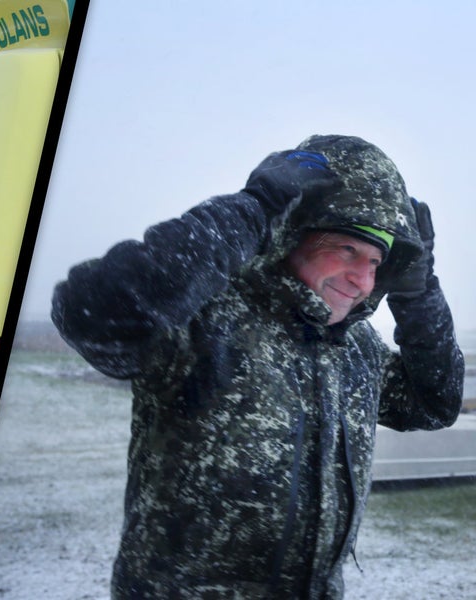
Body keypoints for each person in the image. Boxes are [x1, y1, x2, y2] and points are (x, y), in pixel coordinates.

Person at [51, 135, 463, 598]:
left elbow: (434, 403)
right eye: (347, 250)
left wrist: (418, 291)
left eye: (376, 263)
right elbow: (96, 312)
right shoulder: (206, 321)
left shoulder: (356, 350)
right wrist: (255, 209)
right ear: (292, 236)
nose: (363, 279)